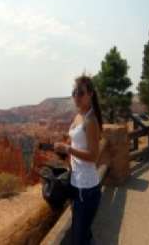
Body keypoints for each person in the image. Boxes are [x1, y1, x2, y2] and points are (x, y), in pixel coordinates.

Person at [54, 75, 102, 245]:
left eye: (80, 93)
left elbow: (93, 157)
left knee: (79, 238)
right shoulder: (78, 116)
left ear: (90, 94)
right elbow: (75, 144)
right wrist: (64, 149)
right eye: (74, 92)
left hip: (87, 188)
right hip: (76, 183)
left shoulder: (91, 121)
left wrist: (68, 149)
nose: (76, 96)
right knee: (83, 234)